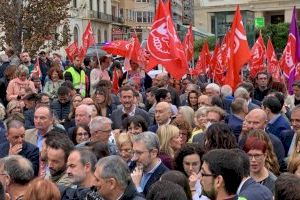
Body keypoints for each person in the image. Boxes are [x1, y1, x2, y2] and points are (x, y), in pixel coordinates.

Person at [130, 131, 168, 196]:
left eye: (139, 153)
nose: (134, 158)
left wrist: (137, 186)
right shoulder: (132, 167)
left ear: (154, 153)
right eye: (133, 152)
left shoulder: (165, 177)